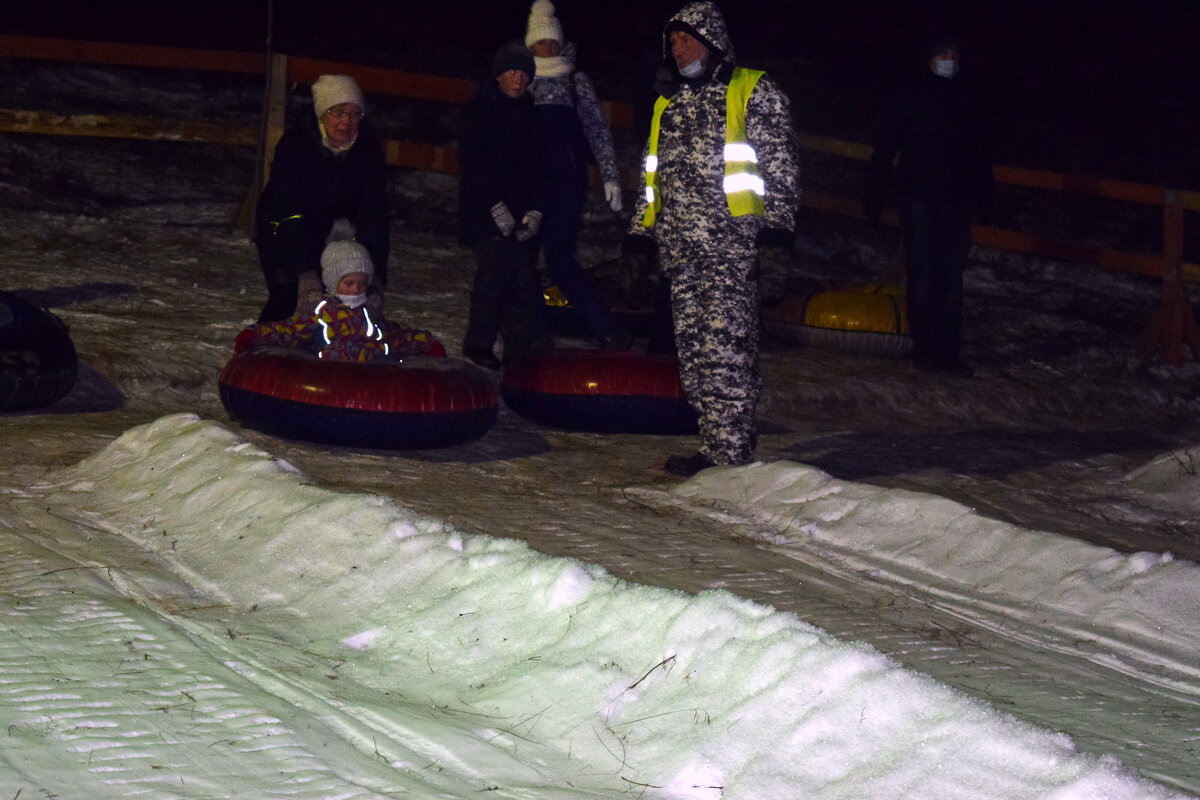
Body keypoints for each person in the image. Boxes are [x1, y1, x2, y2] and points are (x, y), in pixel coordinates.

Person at [625, 1, 801, 478]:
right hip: (681, 251)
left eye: (688, 39)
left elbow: (779, 169)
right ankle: (719, 442)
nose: (679, 50)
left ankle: (729, 455)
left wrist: (776, 238)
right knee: (694, 354)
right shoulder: (670, 103)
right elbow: (651, 178)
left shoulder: (752, 92)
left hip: (731, 248)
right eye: (674, 43)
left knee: (725, 352)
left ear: (712, 40)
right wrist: (640, 239)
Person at [865, 35, 994, 376]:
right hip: (919, 197)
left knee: (951, 277)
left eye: (954, 54)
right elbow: (886, 146)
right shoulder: (910, 95)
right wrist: (875, 195)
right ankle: (924, 350)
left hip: (956, 200)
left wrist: (985, 197)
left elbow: (981, 153)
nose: (949, 60)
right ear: (930, 58)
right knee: (922, 273)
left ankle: (947, 352)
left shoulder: (967, 97)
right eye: (943, 54)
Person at [523, 0, 630, 350]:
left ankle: (606, 330)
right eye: (542, 41)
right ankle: (535, 335)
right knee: (521, 258)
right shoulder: (518, 78)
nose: (549, 47)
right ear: (530, 44)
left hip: (567, 184)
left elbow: (597, 130)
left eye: (553, 41)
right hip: (527, 184)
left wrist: (610, 176)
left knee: (559, 257)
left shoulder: (574, 81)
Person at [253, 74, 390, 323]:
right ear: (321, 114)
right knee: (288, 295)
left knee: (350, 296)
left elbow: (375, 214)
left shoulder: (368, 150)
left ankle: (339, 351)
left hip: (339, 233)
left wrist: (376, 279)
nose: (345, 122)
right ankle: (263, 348)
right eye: (337, 112)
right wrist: (305, 274)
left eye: (354, 113)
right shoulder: (295, 146)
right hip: (284, 228)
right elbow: (286, 209)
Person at [457, 40, 546, 369]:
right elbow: (475, 164)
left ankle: (518, 352)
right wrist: (495, 208)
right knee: (492, 279)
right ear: (498, 75)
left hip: (523, 215)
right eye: (512, 72)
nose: (519, 79)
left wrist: (535, 210)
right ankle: (478, 345)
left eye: (524, 74)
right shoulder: (480, 111)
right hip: (485, 215)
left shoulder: (533, 116)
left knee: (522, 281)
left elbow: (541, 169)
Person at [237, 221, 443, 361]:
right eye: (349, 283)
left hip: (374, 373)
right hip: (333, 371)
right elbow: (291, 330)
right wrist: (255, 334)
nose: (356, 290)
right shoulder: (323, 312)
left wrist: (425, 343)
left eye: (362, 284)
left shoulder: (369, 312)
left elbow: (395, 336)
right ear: (334, 283)